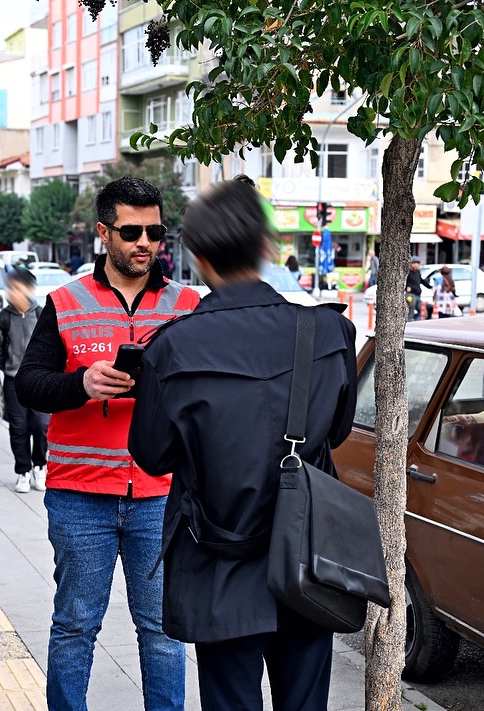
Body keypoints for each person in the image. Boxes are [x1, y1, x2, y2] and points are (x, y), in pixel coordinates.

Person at [128, 179, 357, 711]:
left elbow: (151, 455)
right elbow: (339, 430)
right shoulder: (326, 333)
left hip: (219, 566)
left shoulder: (173, 347)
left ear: (197, 255)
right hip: (306, 561)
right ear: (265, 248)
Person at [14, 176, 199, 711]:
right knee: (75, 625)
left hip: (162, 497)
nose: (145, 242)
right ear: (103, 233)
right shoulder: (66, 302)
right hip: (79, 497)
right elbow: (29, 383)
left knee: (163, 632)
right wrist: (82, 384)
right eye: (131, 231)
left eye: (154, 231)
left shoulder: (187, 304)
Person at [0, 267, 48, 494]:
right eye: (11, 287)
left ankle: (40, 467)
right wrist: (8, 368)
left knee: (42, 426)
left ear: (28, 289)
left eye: (18, 287)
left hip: (40, 381)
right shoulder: (2, 317)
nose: (13, 292)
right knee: (19, 428)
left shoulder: (41, 314)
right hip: (14, 382)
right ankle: (23, 471)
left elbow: (53, 346)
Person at [406, 256, 433, 321]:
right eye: (414, 263)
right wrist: (406, 288)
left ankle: (418, 320)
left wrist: (430, 287)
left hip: (418, 294)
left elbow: (421, 280)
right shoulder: (407, 273)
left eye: (417, 263)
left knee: (420, 309)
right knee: (411, 309)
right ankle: (410, 320)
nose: (416, 265)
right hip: (411, 295)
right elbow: (403, 282)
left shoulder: (417, 272)